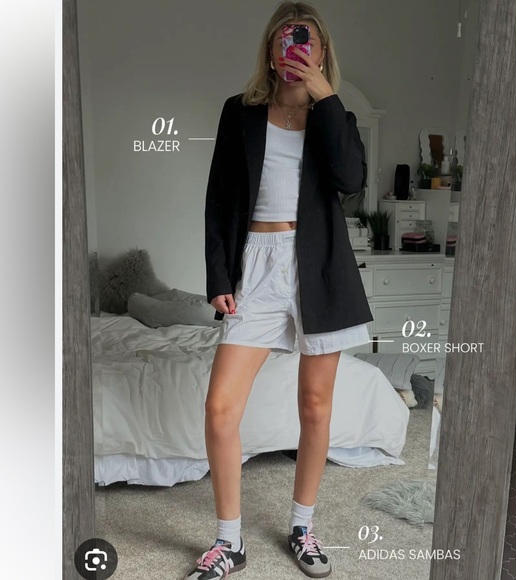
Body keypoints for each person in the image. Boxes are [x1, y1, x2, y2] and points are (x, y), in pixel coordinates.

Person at [186, 2, 373, 578]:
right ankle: (230, 542)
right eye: (286, 40)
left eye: (307, 40)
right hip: (257, 265)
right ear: (270, 50)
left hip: (319, 266)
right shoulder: (239, 112)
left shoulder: (334, 115)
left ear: (321, 52)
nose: (295, 49)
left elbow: (351, 180)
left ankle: (302, 527)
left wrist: (325, 95)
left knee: (315, 406)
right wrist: (219, 277)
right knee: (221, 407)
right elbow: (219, 197)